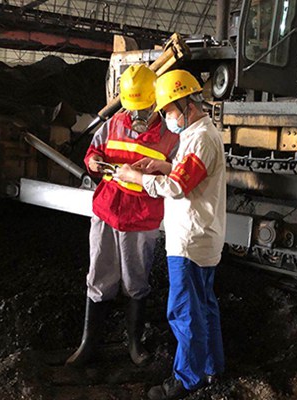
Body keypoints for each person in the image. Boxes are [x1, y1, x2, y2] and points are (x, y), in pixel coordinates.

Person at [114, 69, 226, 400]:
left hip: (189, 241)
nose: (167, 118)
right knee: (205, 307)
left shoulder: (201, 138)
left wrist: (136, 177)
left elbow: (177, 187)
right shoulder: (198, 134)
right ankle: (212, 368)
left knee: (184, 312)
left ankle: (186, 380)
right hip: (202, 236)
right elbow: (186, 174)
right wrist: (162, 166)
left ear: (187, 105)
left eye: (168, 111)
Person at [66, 64, 179, 367]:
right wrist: (95, 162)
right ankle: (88, 344)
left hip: (140, 218)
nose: (137, 115)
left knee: (135, 281)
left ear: (156, 102)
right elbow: (93, 153)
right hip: (107, 211)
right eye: (132, 108)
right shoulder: (114, 122)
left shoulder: (171, 137)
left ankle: (134, 344)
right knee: (99, 276)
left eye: (144, 108)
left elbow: (176, 177)